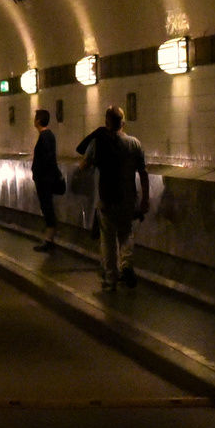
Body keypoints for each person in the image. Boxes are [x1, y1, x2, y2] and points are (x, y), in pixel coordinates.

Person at [77, 105, 149, 290]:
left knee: (108, 240)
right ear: (123, 123)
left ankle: (111, 279)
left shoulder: (98, 142)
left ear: (106, 123)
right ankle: (126, 265)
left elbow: (83, 165)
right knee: (126, 234)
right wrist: (145, 198)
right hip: (128, 200)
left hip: (106, 199)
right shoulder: (135, 143)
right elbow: (143, 172)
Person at [30, 109, 63, 251]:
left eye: (35, 118)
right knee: (47, 207)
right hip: (47, 177)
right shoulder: (49, 136)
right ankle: (49, 238)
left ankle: (50, 239)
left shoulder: (44, 137)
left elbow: (45, 160)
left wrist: (37, 172)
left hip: (44, 179)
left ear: (38, 120)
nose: (34, 120)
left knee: (47, 207)